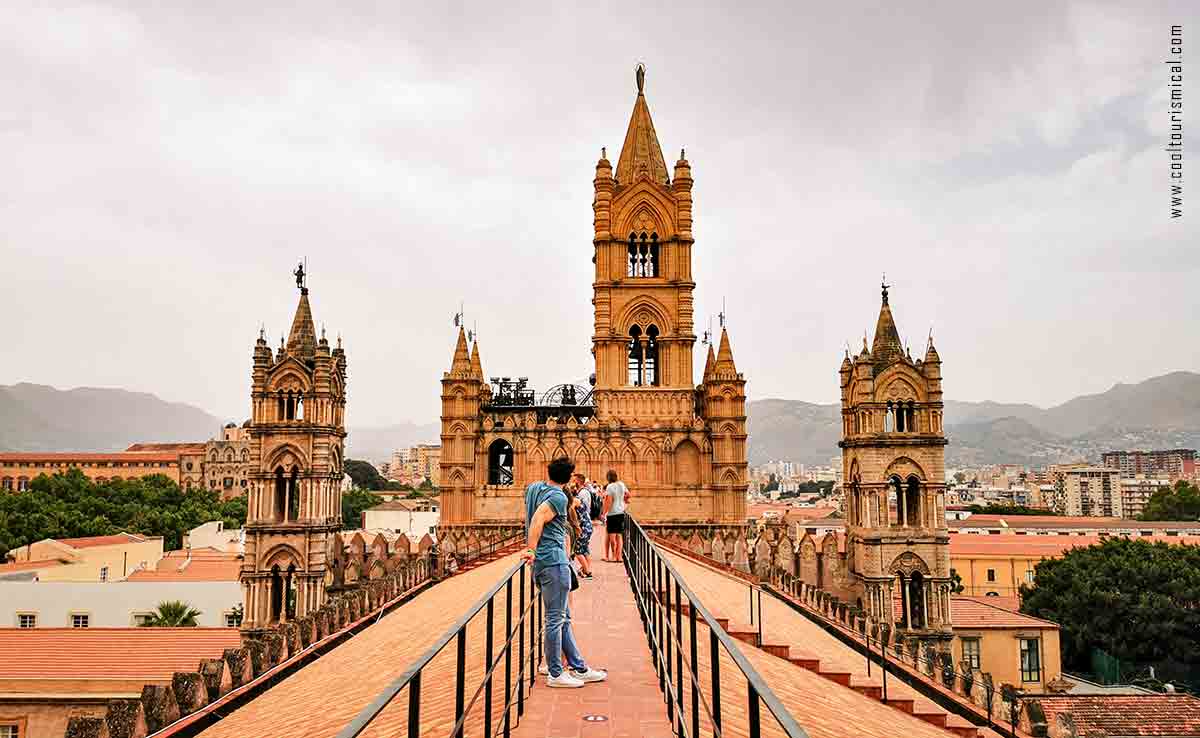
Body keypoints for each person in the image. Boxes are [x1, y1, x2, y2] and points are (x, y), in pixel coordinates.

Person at [522, 457, 607, 688]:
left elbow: (534, 505)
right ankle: (555, 673)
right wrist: (531, 549)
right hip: (553, 562)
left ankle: (579, 667)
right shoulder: (559, 496)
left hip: (544, 563)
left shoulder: (534, 489)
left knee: (563, 617)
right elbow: (539, 518)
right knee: (555, 619)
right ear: (569, 478)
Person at [602, 469, 630, 563]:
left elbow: (609, 501)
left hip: (612, 513)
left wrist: (604, 513)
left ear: (608, 477)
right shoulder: (621, 484)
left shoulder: (610, 487)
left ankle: (613, 556)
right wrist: (623, 501)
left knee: (612, 536)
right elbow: (628, 494)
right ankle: (619, 557)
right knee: (619, 536)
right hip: (621, 512)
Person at [571, 473, 594, 578]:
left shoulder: (580, 495)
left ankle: (587, 572)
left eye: (574, 480)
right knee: (584, 549)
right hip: (587, 525)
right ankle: (586, 570)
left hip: (583, 526)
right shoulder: (581, 494)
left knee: (577, 550)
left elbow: (574, 511)